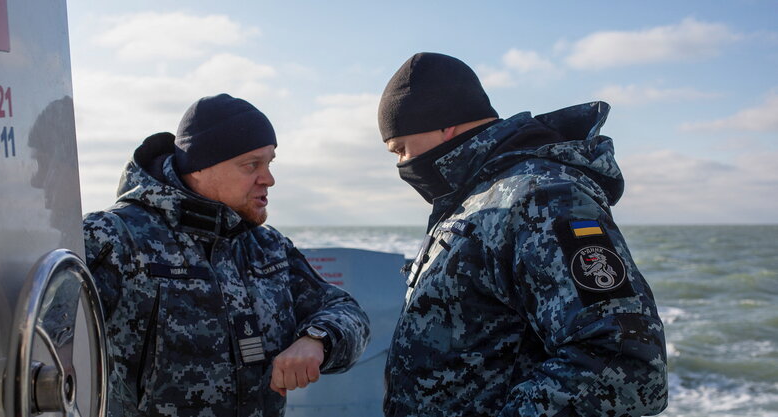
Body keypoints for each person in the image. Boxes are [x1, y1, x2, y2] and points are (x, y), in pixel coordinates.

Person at [377, 52, 667, 416]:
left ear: (443, 125)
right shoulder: (474, 199)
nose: (401, 163)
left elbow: (627, 364)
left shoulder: (543, 196)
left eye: (401, 148)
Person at [83, 93, 371, 417]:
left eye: (269, 163)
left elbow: (346, 311)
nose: (269, 179)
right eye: (252, 165)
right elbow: (41, 350)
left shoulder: (267, 246)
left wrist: (317, 340)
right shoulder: (114, 238)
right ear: (200, 167)